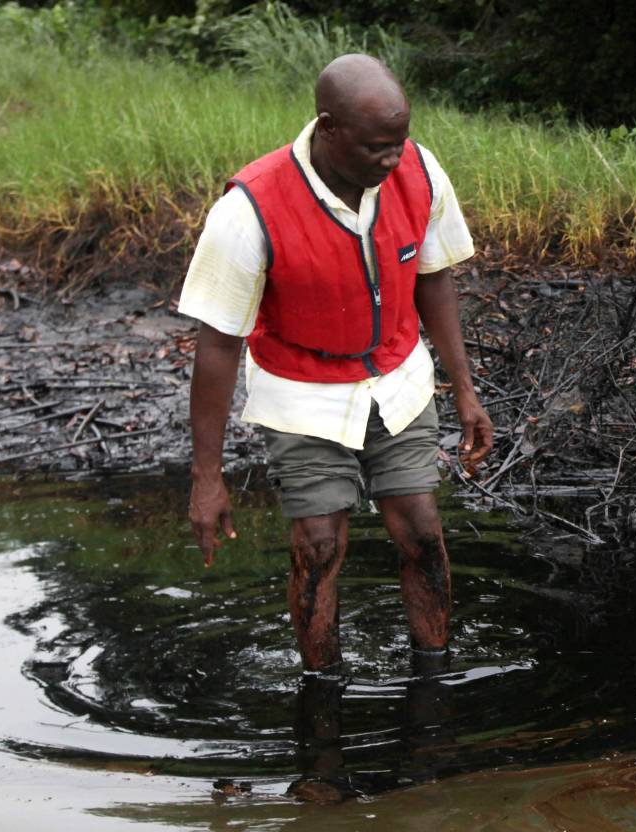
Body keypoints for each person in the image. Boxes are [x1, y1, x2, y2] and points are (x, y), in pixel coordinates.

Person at [180, 54, 493, 672]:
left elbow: (434, 278)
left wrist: (464, 389)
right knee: (319, 544)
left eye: (400, 142)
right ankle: (321, 690)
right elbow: (217, 345)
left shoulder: (420, 171)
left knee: (423, 532)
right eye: (378, 147)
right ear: (328, 127)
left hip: (397, 379)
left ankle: (434, 676)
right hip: (302, 392)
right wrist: (206, 477)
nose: (394, 159)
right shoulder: (251, 209)